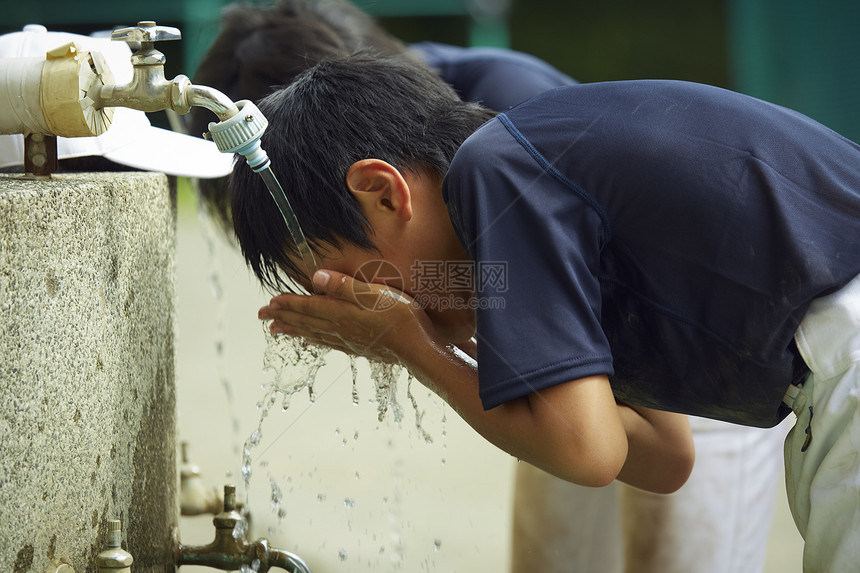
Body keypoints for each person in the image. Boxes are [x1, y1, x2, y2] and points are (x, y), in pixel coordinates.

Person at [196, 2, 791, 572]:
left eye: (342, 277)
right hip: (620, 348)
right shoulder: (419, 146)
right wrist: (447, 330)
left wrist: (412, 337)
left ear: (381, 186)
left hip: (717, 348)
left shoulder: (502, 138)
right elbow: (647, 454)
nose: (353, 292)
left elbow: (598, 442)